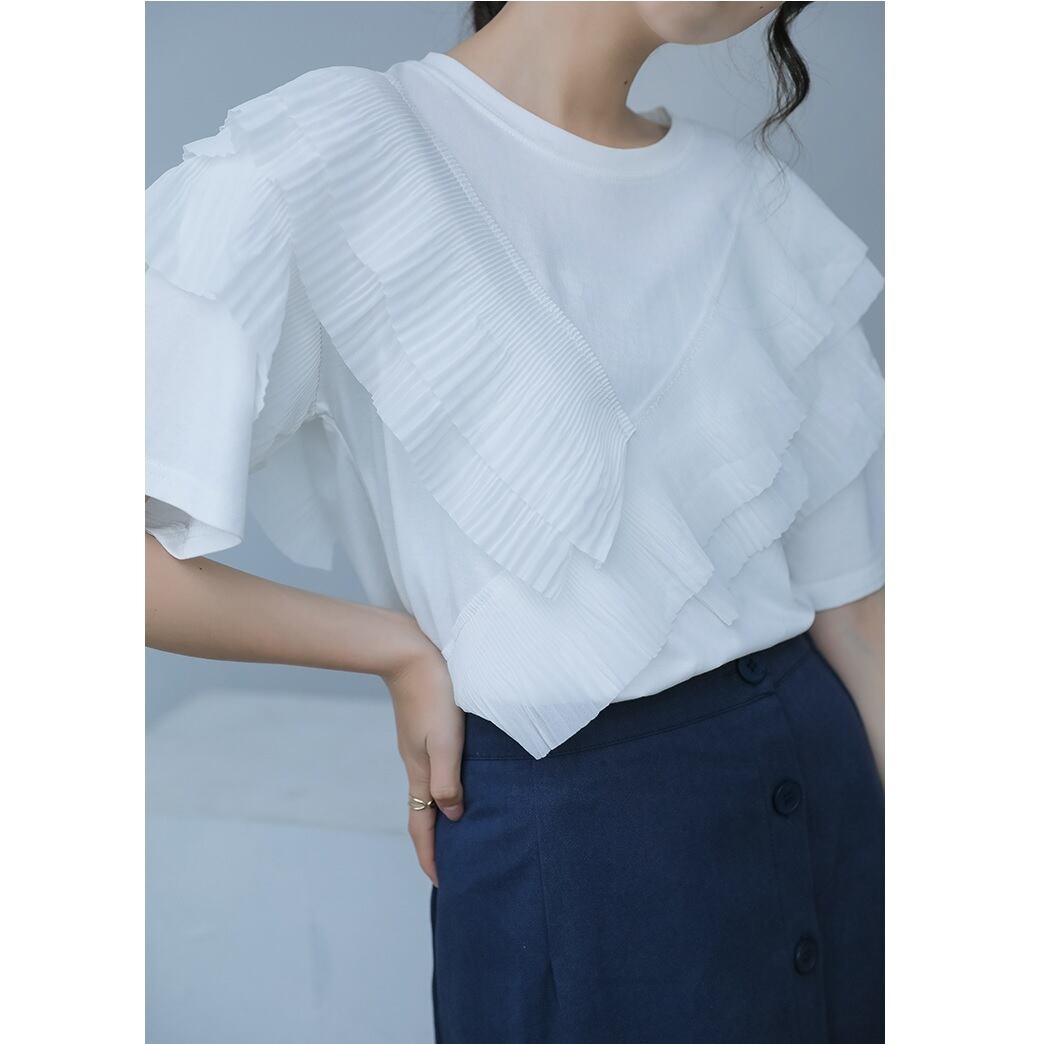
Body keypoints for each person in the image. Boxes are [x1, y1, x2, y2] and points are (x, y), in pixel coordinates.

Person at [145, 2, 884, 1040]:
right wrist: (394, 650)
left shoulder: (755, 205)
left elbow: (859, 620)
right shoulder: (336, 153)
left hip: (831, 803)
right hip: (580, 845)